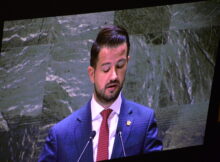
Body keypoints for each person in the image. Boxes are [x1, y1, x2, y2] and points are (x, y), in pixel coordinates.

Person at [38, 25, 163, 162]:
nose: (114, 76)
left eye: (120, 66)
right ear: (92, 74)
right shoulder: (60, 135)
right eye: (106, 69)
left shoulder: (144, 122)